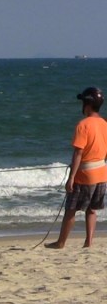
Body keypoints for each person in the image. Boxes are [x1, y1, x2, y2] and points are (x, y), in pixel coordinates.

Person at [46, 87, 107, 249]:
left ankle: (61, 242)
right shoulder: (104, 124)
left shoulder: (83, 125)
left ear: (88, 104)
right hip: (102, 174)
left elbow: (78, 153)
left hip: (85, 175)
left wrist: (71, 177)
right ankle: (89, 242)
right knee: (92, 209)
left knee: (71, 210)